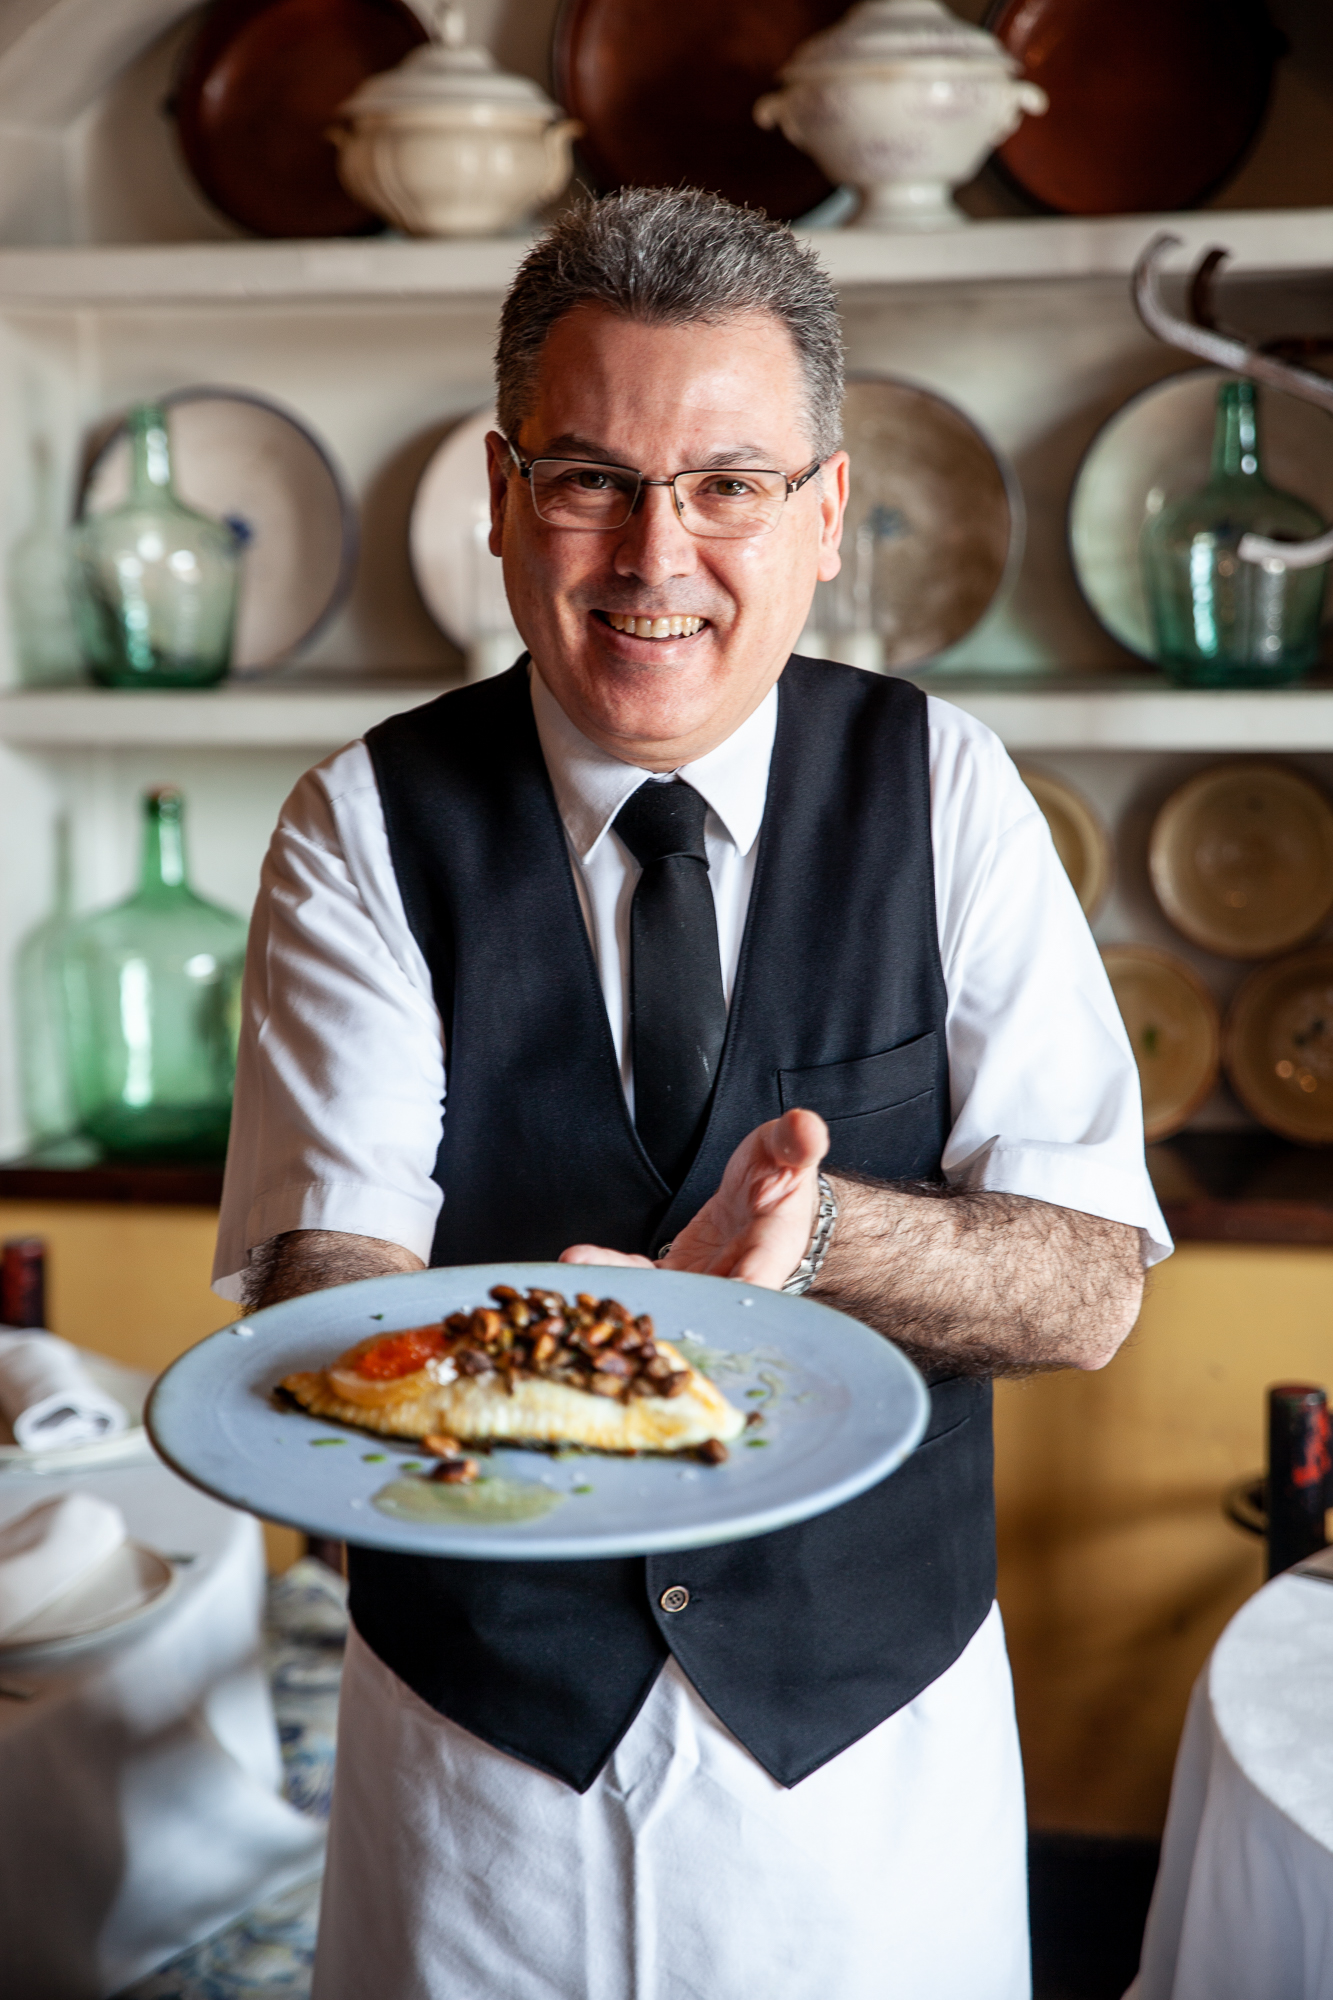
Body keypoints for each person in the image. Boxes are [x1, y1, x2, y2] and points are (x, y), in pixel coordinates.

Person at [215, 186, 1170, 2000]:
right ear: (502, 498)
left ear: (826, 514)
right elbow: (327, 1271)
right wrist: (529, 1359)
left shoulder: (946, 789)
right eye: (592, 478)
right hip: (482, 1772)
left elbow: (1085, 1288)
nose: (656, 558)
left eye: (728, 484)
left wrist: (814, 1241)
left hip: (865, 1775)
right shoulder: (363, 823)